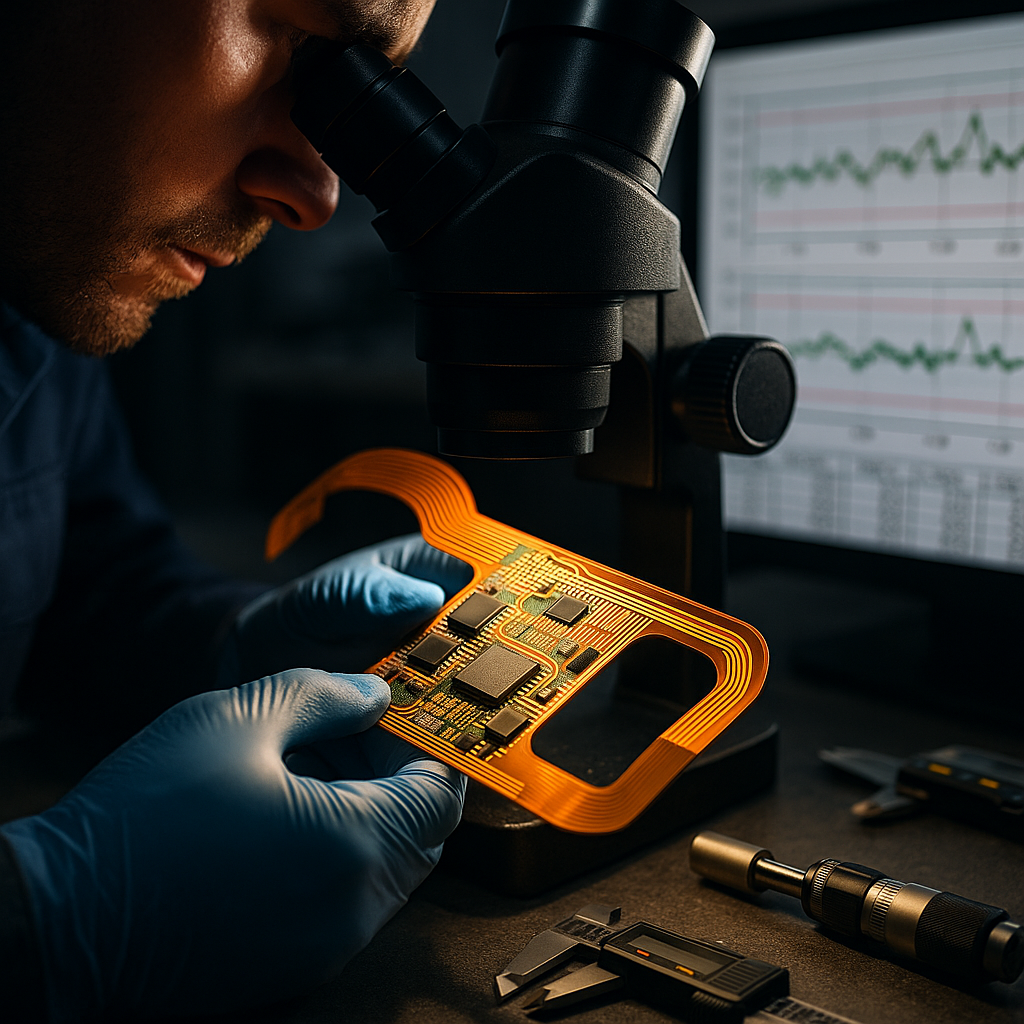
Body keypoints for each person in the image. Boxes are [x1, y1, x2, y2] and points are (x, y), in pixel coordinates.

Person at [0, 1, 471, 1019]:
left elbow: (90, 587)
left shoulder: (32, 283)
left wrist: (232, 648)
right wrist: (42, 917)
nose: (314, 192)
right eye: (300, 40)